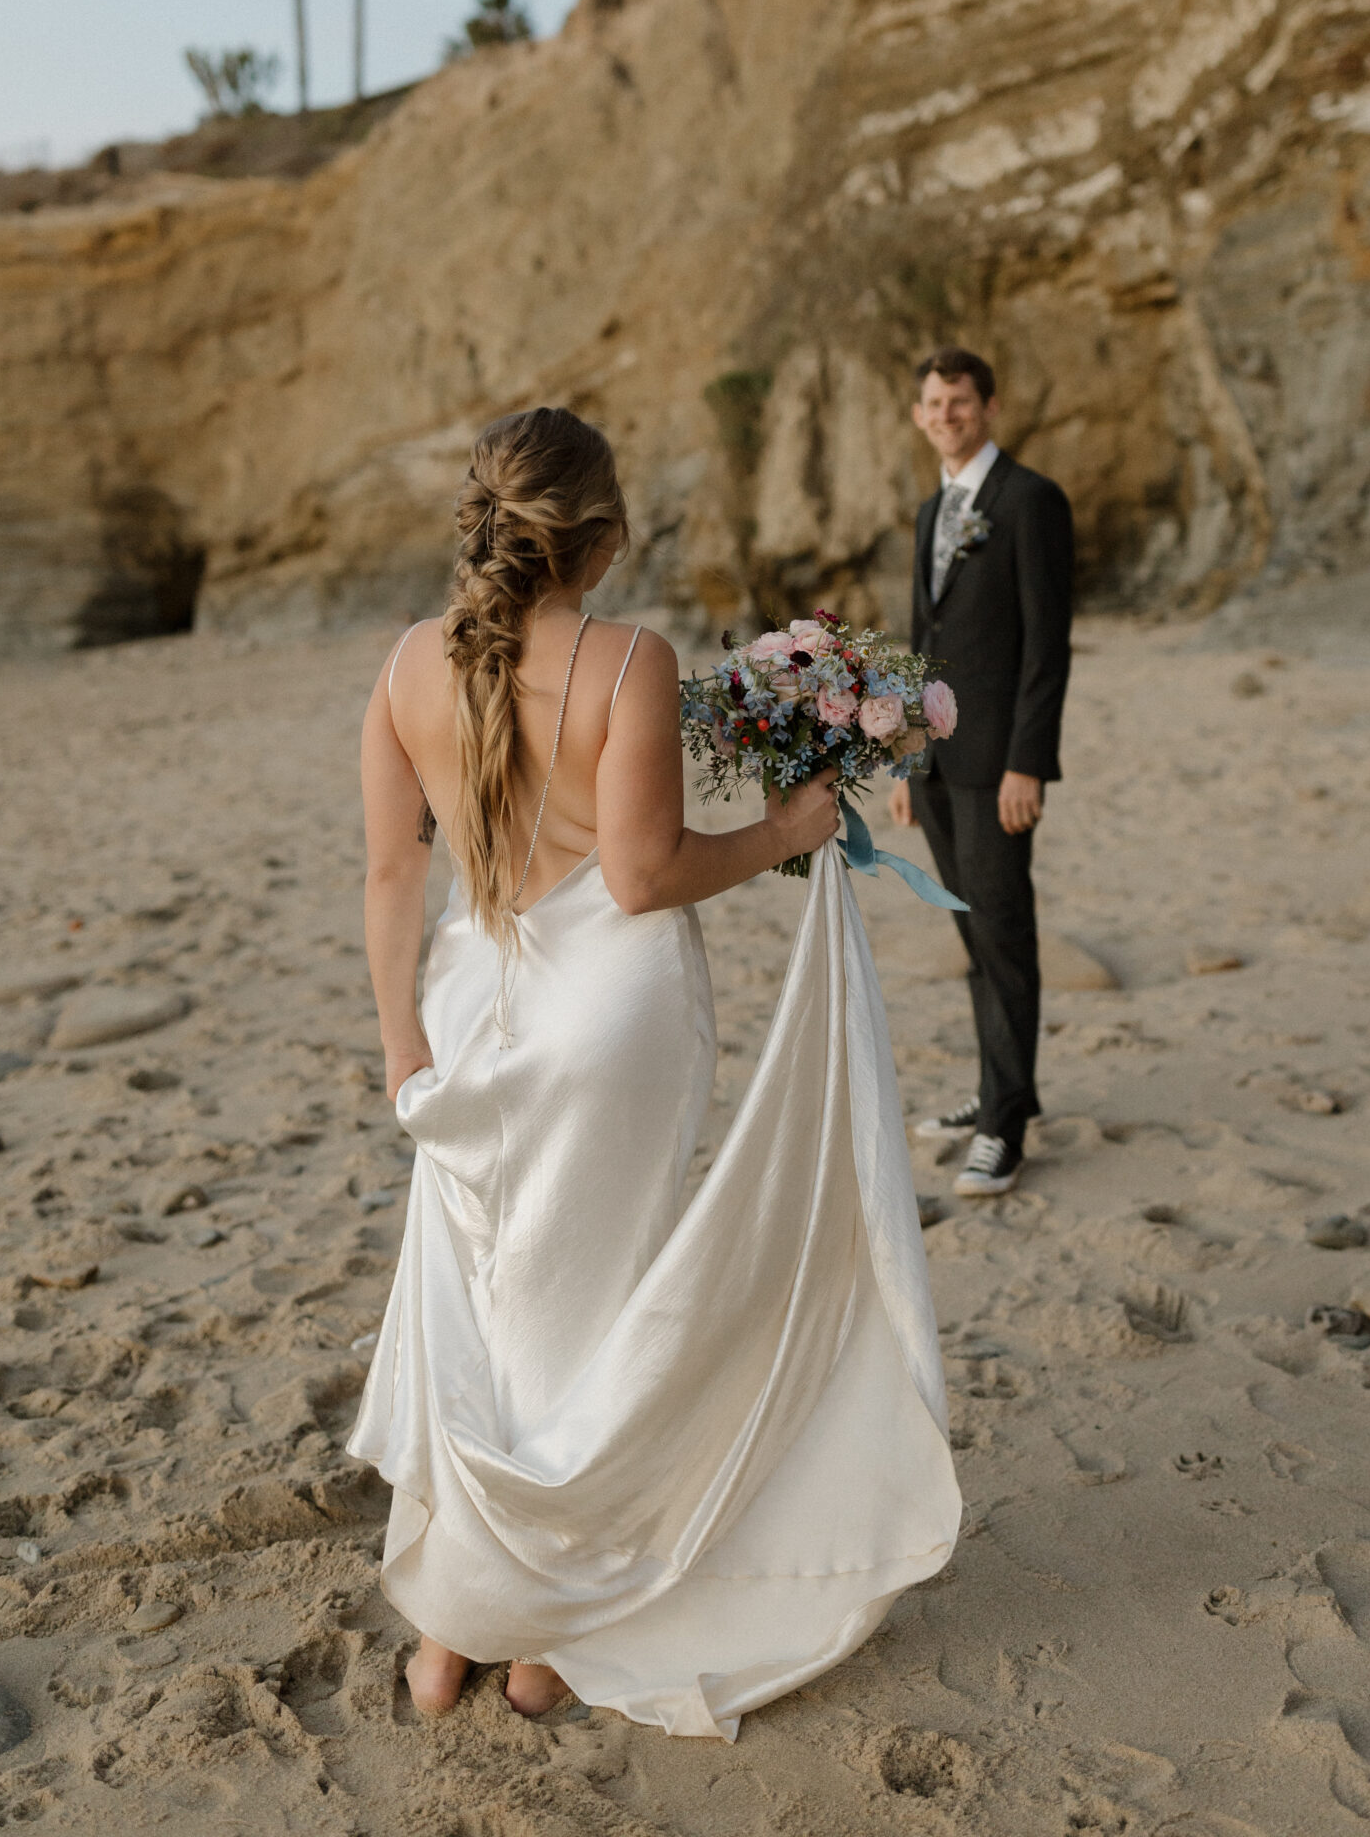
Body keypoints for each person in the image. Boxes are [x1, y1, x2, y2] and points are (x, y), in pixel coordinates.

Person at [348, 405, 959, 1739]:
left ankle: (452, 1630)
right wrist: (782, 828)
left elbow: (395, 871)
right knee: (588, 1312)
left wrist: (401, 1043)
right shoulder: (626, 661)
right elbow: (642, 876)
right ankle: (547, 1633)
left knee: (477, 1302)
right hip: (607, 1021)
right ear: (603, 536)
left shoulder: (406, 664)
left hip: (462, 1012)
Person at [888, 349, 1073, 1199]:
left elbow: (1046, 645)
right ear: (919, 413)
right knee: (969, 932)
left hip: (997, 763)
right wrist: (901, 754)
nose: (944, 414)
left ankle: (1005, 1127)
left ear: (989, 406)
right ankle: (1000, 1086)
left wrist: (1027, 763)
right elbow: (923, 640)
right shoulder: (931, 510)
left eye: (958, 400)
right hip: (933, 761)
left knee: (1002, 931)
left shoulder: (1030, 502)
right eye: (932, 402)